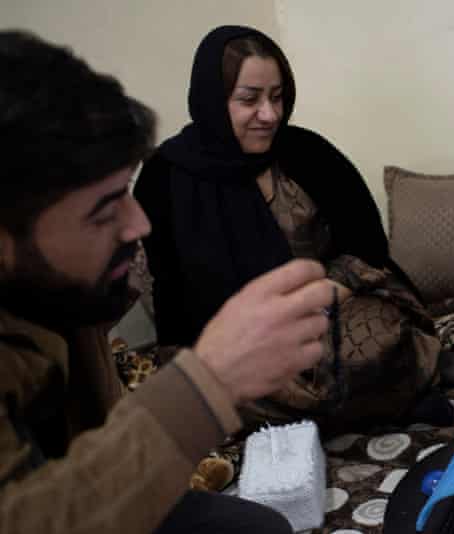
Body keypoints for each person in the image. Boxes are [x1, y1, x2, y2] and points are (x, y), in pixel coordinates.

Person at [0, 31, 334, 533]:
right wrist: (209, 381)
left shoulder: (62, 297)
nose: (138, 226)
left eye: (276, 97)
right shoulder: (173, 177)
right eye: (103, 209)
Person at [134, 25, 454, 432]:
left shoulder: (309, 153)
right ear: (213, 99)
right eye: (249, 99)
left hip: (335, 307)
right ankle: (400, 393)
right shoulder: (165, 176)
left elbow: (367, 247)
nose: (269, 114)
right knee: (229, 387)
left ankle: (367, 396)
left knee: (372, 341)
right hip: (237, 336)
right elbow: (170, 287)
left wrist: (312, 303)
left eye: (277, 97)